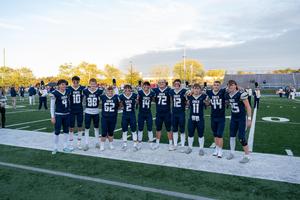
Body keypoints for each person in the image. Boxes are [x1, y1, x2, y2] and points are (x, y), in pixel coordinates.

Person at [226, 80, 252, 163]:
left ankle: (247, 156)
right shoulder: (228, 95)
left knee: (241, 137)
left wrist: (249, 119)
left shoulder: (241, 94)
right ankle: (232, 153)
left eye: (232, 85)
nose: (231, 86)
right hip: (233, 118)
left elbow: (248, 107)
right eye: (229, 85)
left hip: (241, 119)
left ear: (236, 85)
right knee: (232, 136)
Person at [50, 79, 72, 154]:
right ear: (58, 85)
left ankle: (65, 147)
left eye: (65, 84)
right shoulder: (55, 93)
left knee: (66, 131)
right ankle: (55, 147)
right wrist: (52, 117)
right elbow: (52, 106)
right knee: (57, 131)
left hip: (67, 114)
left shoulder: (68, 91)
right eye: (62, 84)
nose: (64, 86)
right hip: (58, 115)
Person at [185, 83, 208, 155]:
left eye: (198, 88)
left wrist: (206, 101)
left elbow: (208, 103)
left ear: (200, 89)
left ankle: (201, 148)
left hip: (200, 118)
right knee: (190, 133)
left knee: (200, 133)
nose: (196, 90)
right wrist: (189, 93)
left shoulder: (204, 96)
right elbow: (185, 98)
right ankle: (190, 147)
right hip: (192, 118)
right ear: (193, 89)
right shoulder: (189, 96)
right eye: (195, 88)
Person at [206, 81, 226, 158]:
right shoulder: (209, 92)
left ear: (219, 86)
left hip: (221, 117)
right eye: (215, 85)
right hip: (213, 117)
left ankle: (220, 150)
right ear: (212, 86)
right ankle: (217, 148)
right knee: (215, 134)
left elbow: (229, 89)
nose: (216, 86)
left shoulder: (222, 91)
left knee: (219, 135)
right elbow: (201, 93)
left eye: (217, 85)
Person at [152, 79, 174, 151]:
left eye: (163, 82)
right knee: (158, 129)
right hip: (159, 113)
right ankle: (157, 143)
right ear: (158, 83)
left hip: (167, 113)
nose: (161, 83)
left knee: (169, 129)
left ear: (165, 83)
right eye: (160, 82)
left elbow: (172, 99)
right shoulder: (155, 90)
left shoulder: (169, 90)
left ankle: (170, 144)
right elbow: (152, 98)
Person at [82, 78, 103, 151]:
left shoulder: (99, 91)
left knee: (96, 128)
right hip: (88, 112)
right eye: (91, 84)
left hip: (96, 112)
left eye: (94, 84)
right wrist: (84, 109)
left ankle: (97, 143)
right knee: (87, 128)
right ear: (89, 84)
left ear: (96, 84)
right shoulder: (85, 91)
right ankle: (86, 144)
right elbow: (83, 101)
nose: (93, 86)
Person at [169, 79, 188, 151]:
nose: (177, 84)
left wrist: (186, 105)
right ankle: (175, 145)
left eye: (178, 83)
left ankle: (183, 145)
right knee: (174, 129)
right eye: (175, 83)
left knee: (182, 129)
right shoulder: (171, 91)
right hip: (174, 113)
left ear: (180, 84)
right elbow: (171, 100)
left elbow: (187, 100)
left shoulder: (184, 91)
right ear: (173, 84)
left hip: (181, 113)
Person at [136, 81, 155, 151]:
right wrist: (137, 101)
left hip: (148, 113)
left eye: (147, 86)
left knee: (150, 129)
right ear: (143, 86)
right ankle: (139, 144)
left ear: (149, 86)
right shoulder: (140, 92)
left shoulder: (152, 93)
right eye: (144, 86)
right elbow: (137, 103)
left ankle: (151, 144)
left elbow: (154, 99)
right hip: (141, 113)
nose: (146, 87)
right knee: (140, 129)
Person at [67, 76, 85, 150]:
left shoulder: (82, 88)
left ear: (79, 82)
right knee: (71, 127)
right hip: (71, 109)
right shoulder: (69, 89)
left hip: (79, 109)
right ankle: (71, 143)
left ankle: (79, 143)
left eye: (77, 82)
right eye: (74, 82)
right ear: (72, 81)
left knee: (80, 126)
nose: (75, 83)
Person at [100, 86, 120, 151]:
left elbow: (119, 106)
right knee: (104, 132)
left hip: (113, 117)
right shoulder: (103, 97)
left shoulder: (116, 97)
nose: (110, 92)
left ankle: (111, 144)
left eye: (111, 91)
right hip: (104, 118)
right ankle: (102, 145)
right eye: (109, 91)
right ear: (106, 91)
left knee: (111, 132)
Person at [119, 84, 138, 150]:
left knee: (134, 130)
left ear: (131, 90)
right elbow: (119, 104)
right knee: (124, 131)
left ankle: (135, 145)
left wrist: (137, 102)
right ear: (124, 90)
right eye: (126, 89)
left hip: (132, 115)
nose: (127, 91)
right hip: (125, 115)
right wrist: (120, 105)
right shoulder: (121, 96)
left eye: (129, 90)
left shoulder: (134, 95)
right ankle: (124, 145)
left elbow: (139, 99)